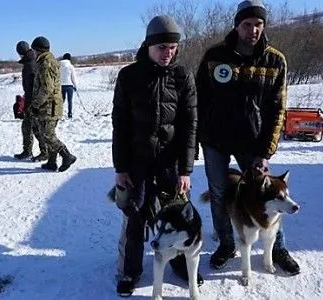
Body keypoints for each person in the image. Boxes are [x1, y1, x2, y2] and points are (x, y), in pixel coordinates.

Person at [195, 0, 300, 275]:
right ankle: (227, 244)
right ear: (237, 25)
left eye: (258, 24)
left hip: (252, 144)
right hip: (215, 140)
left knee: (267, 192)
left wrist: (265, 151)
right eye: (247, 24)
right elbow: (199, 100)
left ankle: (277, 249)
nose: (253, 30)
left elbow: (278, 108)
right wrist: (197, 138)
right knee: (219, 194)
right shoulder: (214, 56)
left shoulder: (275, 60)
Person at [112, 15, 201, 297]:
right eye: (162, 47)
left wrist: (186, 169)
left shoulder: (183, 76)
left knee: (175, 216)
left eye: (172, 47)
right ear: (149, 45)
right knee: (135, 215)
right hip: (137, 161)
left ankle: (177, 263)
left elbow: (190, 125)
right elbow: (120, 125)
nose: (168, 53)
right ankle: (130, 271)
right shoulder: (129, 76)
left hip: (170, 164)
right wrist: (121, 167)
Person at [28, 36, 77, 172]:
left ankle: (67, 156)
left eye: (33, 50)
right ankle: (51, 162)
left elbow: (46, 88)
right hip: (49, 105)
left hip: (50, 106)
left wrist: (36, 104)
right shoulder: (46, 60)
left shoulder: (46, 63)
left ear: (38, 50)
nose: (33, 52)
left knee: (47, 135)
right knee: (47, 133)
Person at [13, 41, 48, 162]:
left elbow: (35, 84)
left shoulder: (30, 64)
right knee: (27, 127)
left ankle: (45, 152)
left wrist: (33, 101)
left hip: (33, 101)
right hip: (29, 99)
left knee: (36, 128)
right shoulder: (30, 61)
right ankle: (27, 151)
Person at [59, 53, 78, 119]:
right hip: (69, 85)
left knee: (61, 100)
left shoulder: (59, 66)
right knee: (70, 100)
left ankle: (59, 113)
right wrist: (75, 86)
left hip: (61, 85)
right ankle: (70, 113)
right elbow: (73, 77)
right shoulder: (70, 66)